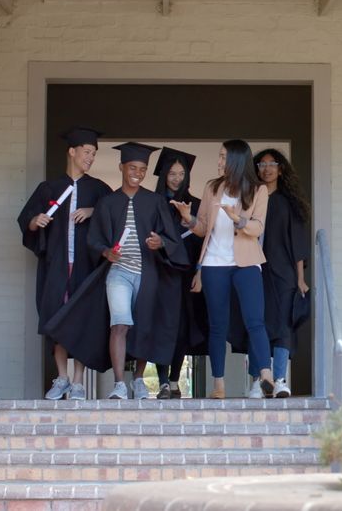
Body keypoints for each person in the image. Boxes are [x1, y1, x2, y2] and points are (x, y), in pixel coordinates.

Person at [77, 141, 190, 399]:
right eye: (132, 168)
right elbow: (93, 240)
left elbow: (171, 238)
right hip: (118, 273)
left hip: (148, 273)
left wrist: (160, 242)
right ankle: (119, 383)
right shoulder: (107, 203)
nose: (137, 173)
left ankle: (139, 380)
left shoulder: (155, 202)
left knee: (144, 325)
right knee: (120, 324)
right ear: (121, 167)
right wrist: (106, 252)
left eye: (142, 169)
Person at [16, 127, 112, 400]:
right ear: (72, 152)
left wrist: (93, 211)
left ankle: (79, 381)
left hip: (85, 266)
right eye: (86, 152)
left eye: (93, 153)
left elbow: (112, 216)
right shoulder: (49, 188)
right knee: (56, 317)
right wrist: (37, 222)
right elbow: (26, 220)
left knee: (81, 319)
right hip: (57, 265)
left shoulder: (98, 189)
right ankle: (62, 377)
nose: (90, 157)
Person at [176, 139, 275, 399]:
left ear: (236, 160)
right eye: (219, 157)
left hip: (246, 262)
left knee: (255, 321)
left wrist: (238, 220)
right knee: (217, 325)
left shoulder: (257, 190)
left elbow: (257, 228)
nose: (219, 162)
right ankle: (218, 384)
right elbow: (203, 227)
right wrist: (189, 219)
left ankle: (266, 376)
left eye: (222, 157)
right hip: (214, 264)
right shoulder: (212, 188)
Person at [247, 148, 310, 399]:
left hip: (283, 271)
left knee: (284, 324)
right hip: (253, 269)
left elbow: (297, 242)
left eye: (273, 163)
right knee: (255, 323)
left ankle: (280, 379)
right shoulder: (249, 199)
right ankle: (258, 381)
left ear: (281, 169)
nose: (267, 168)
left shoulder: (287, 202)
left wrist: (300, 278)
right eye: (262, 165)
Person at [152, 147, 208, 399]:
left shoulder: (195, 205)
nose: (176, 178)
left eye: (181, 173)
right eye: (172, 173)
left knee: (182, 328)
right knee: (162, 325)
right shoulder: (153, 203)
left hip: (186, 275)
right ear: (164, 174)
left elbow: (205, 242)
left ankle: (174, 380)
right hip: (160, 272)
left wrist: (199, 271)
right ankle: (163, 380)